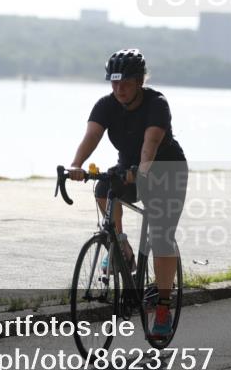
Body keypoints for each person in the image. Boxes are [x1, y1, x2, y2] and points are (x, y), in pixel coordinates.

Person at [67, 48, 188, 339]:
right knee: (104, 189)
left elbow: (152, 141)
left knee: (161, 236)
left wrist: (143, 170)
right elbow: (92, 136)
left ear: (139, 82)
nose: (118, 89)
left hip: (165, 169)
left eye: (125, 84)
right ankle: (122, 247)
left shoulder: (156, 104)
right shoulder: (106, 105)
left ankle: (162, 305)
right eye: (114, 83)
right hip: (129, 169)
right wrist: (76, 165)